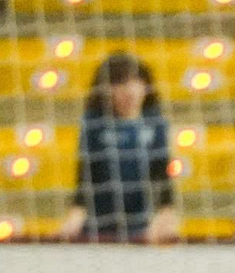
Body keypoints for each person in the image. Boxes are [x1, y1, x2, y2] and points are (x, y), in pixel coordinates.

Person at [56, 51, 180, 244]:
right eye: (120, 83)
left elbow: (162, 174)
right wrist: (75, 216)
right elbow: (87, 176)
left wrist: (166, 213)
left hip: (141, 226)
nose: (129, 91)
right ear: (105, 89)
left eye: (135, 82)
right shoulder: (94, 123)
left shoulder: (156, 124)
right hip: (97, 227)